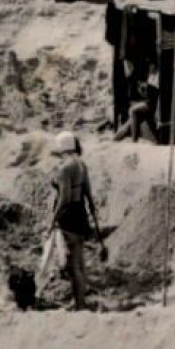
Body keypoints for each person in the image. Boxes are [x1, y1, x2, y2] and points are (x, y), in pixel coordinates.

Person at [47, 132, 105, 311]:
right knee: (80, 263)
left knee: (72, 266)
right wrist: (92, 213)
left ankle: (80, 306)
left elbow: (64, 198)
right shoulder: (81, 165)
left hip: (69, 215)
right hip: (80, 213)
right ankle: (81, 301)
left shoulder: (64, 168)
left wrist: (53, 219)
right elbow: (87, 192)